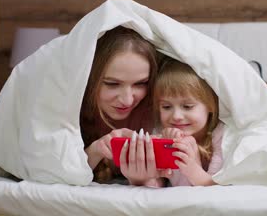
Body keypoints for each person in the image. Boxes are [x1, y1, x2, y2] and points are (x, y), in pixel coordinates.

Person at [80, 26, 163, 186]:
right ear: (90, 79)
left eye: (141, 83)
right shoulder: (70, 111)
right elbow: (57, 172)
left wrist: (142, 179)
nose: (127, 100)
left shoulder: (158, 112)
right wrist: (95, 151)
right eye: (112, 84)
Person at [153, 58, 224, 186]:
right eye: (166, 107)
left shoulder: (220, 136)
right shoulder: (160, 133)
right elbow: (156, 187)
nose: (176, 116)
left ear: (210, 106)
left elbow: (216, 189)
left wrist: (192, 167)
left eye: (187, 106)